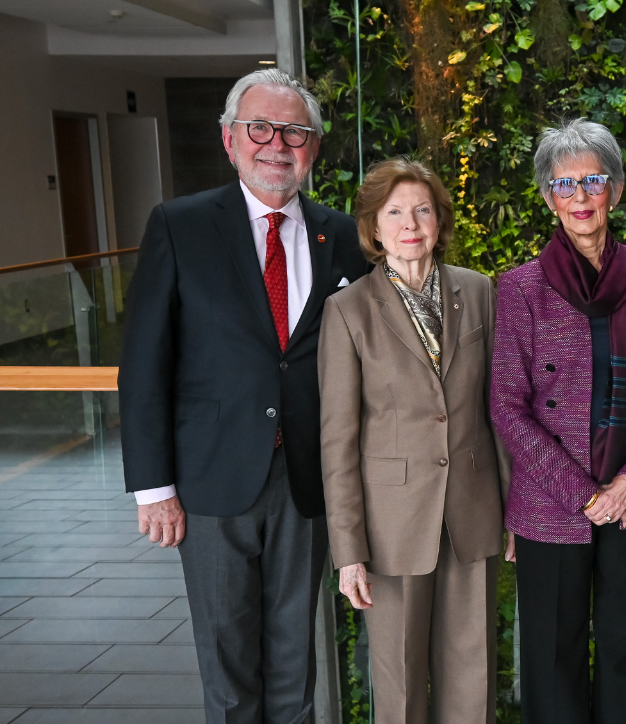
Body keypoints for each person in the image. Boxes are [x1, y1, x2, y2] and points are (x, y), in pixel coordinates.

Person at [120, 68, 368, 722]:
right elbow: (145, 363)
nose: (276, 144)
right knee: (228, 657)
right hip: (210, 480)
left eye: (294, 132)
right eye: (259, 127)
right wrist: (154, 487)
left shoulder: (341, 234)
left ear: (312, 147)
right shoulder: (180, 225)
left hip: (307, 478)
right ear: (230, 139)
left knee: (295, 652)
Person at [490, 118, 626, 724]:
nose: (580, 197)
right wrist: (584, 495)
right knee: (552, 657)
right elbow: (506, 404)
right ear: (549, 197)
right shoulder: (520, 288)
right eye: (564, 184)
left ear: (616, 190)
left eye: (593, 180)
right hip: (552, 505)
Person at [318, 157, 507, 724]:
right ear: (374, 229)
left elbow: (497, 409)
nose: (410, 224)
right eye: (394, 212)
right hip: (392, 524)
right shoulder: (347, 310)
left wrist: (514, 510)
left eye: (422, 210)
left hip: (472, 513)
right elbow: (338, 441)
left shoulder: (478, 292)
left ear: (439, 220)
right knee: (399, 683)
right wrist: (348, 551)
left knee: (473, 676)